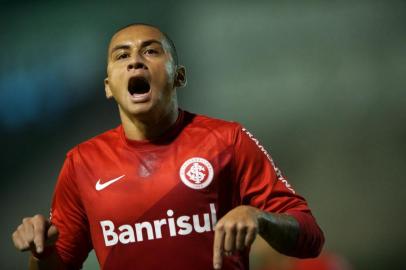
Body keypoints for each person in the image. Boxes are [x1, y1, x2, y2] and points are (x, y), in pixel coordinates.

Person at [11, 23, 324, 270]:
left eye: (151, 52)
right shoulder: (82, 163)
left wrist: (260, 218)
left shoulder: (228, 140)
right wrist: (42, 252)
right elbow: (60, 265)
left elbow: (311, 237)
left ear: (180, 76)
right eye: (122, 56)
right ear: (108, 87)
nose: (135, 61)